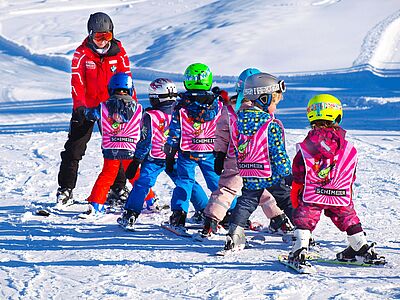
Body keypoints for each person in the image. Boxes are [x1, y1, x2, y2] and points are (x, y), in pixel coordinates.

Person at [288, 94, 385, 265]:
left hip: (313, 194)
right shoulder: (347, 146)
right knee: (347, 217)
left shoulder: (308, 145)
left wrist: (297, 186)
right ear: (337, 116)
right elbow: (350, 172)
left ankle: (300, 248)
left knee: (305, 217)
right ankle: (360, 246)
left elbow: (299, 169)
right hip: (339, 193)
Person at [200, 68, 293, 238]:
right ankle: (278, 218)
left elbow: (221, 134)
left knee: (227, 189)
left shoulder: (230, 109)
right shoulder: (264, 112)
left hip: (235, 157)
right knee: (263, 188)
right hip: (259, 159)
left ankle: (210, 221)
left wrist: (219, 154)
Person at [56, 12, 131, 207]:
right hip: (87, 107)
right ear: (90, 35)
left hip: (112, 108)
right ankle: (65, 189)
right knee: (74, 148)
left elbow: (128, 81)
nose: (102, 41)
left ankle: (118, 188)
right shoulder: (82, 53)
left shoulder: (119, 53)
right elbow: (77, 82)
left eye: (106, 36)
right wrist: (80, 107)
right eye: (98, 37)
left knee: (118, 148)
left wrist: (129, 107)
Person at [117, 78, 209, 230]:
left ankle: (130, 214)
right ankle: (204, 211)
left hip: (155, 158)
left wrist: (136, 160)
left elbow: (145, 141)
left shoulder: (151, 116)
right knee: (187, 182)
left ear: (157, 98)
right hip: (176, 157)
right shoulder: (183, 111)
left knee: (143, 184)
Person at [222, 72, 292, 252]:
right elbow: (278, 152)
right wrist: (287, 173)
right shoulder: (271, 124)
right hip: (271, 173)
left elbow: (239, 147)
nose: (275, 107)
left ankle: (234, 234)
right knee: (286, 200)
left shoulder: (239, 121)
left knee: (246, 201)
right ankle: (302, 233)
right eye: (274, 102)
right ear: (263, 98)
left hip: (250, 170)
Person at [163, 63, 223, 233]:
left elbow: (174, 131)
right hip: (210, 150)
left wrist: (170, 153)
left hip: (187, 151)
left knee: (184, 182)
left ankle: (178, 214)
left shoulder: (181, 105)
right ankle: (228, 211)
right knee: (217, 183)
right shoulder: (217, 104)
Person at [81, 73, 142, 217]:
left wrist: (82, 110)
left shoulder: (103, 107)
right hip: (130, 149)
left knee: (107, 176)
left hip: (111, 148)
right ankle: (149, 201)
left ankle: (96, 205)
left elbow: (89, 115)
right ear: (131, 89)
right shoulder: (138, 108)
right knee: (135, 175)